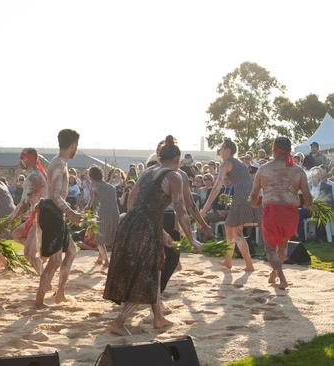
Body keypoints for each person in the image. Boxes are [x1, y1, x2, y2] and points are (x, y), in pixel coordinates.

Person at [103, 136, 195, 336]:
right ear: (177, 159)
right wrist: (192, 239)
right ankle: (119, 322)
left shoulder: (146, 172)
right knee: (145, 276)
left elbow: (132, 200)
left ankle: (158, 317)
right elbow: (181, 211)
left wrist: (159, 230)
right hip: (145, 228)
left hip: (131, 223)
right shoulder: (174, 176)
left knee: (157, 266)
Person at [250, 137, 312, 289]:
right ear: (290, 150)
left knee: (270, 249)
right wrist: (303, 202)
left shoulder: (263, 169)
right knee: (283, 245)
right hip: (290, 212)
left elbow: (253, 197)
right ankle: (275, 272)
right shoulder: (298, 170)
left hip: (271, 210)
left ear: (274, 148)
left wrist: (256, 203)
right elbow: (308, 199)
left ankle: (281, 277)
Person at [35, 129, 83, 309]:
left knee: (71, 251)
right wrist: (71, 213)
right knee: (54, 261)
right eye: (76, 145)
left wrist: (67, 213)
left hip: (55, 214)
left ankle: (60, 293)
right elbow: (55, 195)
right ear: (73, 145)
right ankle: (38, 301)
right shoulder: (59, 165)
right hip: (52, 214)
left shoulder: (59, 163)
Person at [201, 138, 260, 272]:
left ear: (227, 150)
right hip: (248, 197)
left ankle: (249, 265)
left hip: (241, 198)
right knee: (229, 227)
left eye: (221, 149)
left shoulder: (227, 163)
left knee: (237, 232)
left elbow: (216, 187)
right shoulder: (239, 163)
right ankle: (228, 260)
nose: (219, 151)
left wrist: (204, 209)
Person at [9, 148, 48, 274]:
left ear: (30, 159)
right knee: (16, 234)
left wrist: (9, 219)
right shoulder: (33, 176)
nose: (20, 162)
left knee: (29, 254)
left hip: (40, 217)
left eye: (22, 158)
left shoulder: (33, 177)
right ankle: (40, 250)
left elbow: (24, 203)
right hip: (35, 215)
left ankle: (45, 282)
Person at [84, 166, 118, 266]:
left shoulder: (94, 187)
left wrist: (82, 211)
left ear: (91, 176)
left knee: (98, 240)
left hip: (101, 215)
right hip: (114, 214)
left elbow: (90, 203)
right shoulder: (111, 187)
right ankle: (100, 258)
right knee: (103, 237)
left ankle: (105, 260)